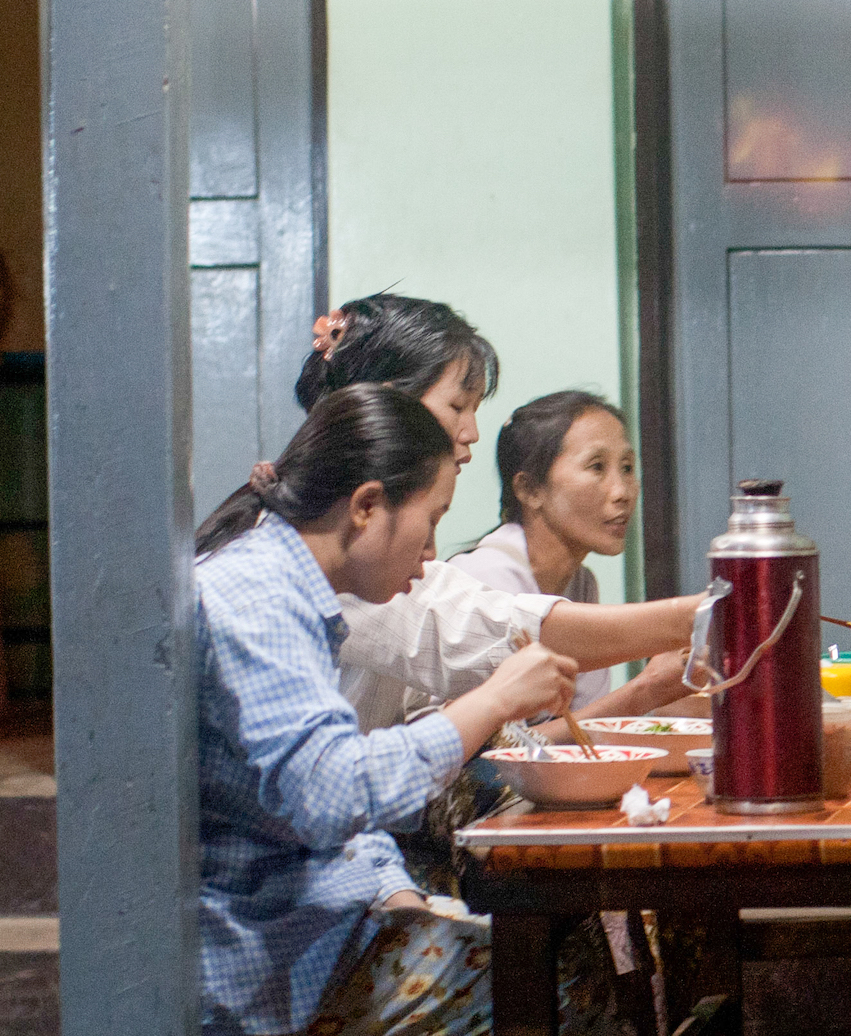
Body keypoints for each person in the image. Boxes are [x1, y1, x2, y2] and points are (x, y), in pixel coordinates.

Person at [195, 385, 604, 1035]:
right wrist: (493, 700)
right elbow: (333, 791)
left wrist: (397, 893)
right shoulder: (260, 601)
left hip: (319, 922)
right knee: (556, 979)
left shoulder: (284, 582)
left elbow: (320, 801)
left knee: (559, 948)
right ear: (366, 507)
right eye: (430, 520)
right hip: (271, 966)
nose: (431, 551)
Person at [302, 294, 696, 732]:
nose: (471, 433)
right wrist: (692, 622)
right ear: (385, 406)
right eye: (457, 407)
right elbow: (483, 633)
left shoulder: (580, 580)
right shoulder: (337, 544)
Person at [448, 391, 635, 711]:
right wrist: (649, 689)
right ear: (530, 489)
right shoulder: (487, 580)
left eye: (628, 467)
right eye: (596, 467)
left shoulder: (581, 583)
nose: (622, 492)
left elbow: (581, 723)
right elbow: (494, 739)